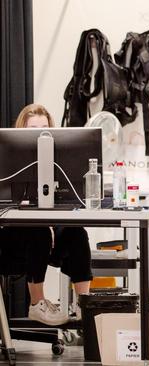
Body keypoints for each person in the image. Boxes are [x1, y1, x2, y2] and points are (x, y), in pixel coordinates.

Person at [0, 104, 93, 326]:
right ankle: (37, 304)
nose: (40, 134)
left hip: (44, 239)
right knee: (38, 231)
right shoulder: (7, 159)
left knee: (77, 234)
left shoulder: (59, 161)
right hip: (10, 244)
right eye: (33, 128)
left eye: (45, 128)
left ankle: (84, 306)